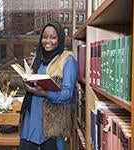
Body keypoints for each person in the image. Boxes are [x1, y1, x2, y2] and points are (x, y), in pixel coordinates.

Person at [19, 21, 78, 150]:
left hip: (53, 124)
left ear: (60, 38)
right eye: (45, 37)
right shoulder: (37, 59)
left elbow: (67, 95)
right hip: (31, 121)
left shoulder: (68, 60)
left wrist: (44, 93)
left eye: (53, 37)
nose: (48, 40)